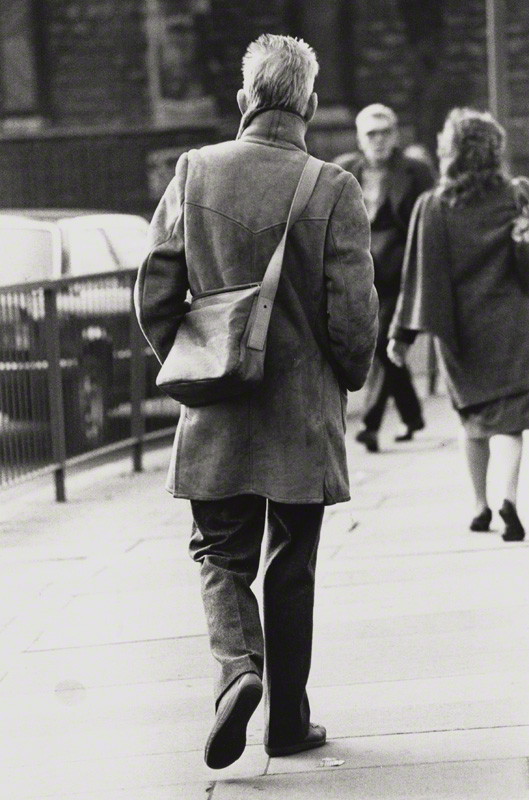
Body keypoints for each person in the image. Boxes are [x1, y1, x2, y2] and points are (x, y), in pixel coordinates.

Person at [135, 34, 378, 769]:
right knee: (292, 564)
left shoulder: (195, 171)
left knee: (219, 552)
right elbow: (353, 314)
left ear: (245, 99)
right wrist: (349, 376)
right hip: (301, 414)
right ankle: (288, 722)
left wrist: (194, 362)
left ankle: (238, 668)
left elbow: (153, 291)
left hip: (216, 410)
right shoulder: (334, 187)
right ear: (309, 103)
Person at [388, 107, 529, 542]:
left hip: (461, 332)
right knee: (509, 420)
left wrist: (402, 335)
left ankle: (479, 506)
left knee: (474, 419)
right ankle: (507, 497)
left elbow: (419, 276)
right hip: (514, 325)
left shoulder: (433, 206)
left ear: (450, 151)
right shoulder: (517, 195)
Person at [335, 104, 435, 452]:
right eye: (371, 133)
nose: (378, 140)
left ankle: (370, 424)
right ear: (360, 138)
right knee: (384, 347)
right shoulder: (346, 169)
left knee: (380, 342)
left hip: (401, 273)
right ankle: (412, 413)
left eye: (385, 132)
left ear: (395, 136)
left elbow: (428, 223)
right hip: (360, 273)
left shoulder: (416, 171)